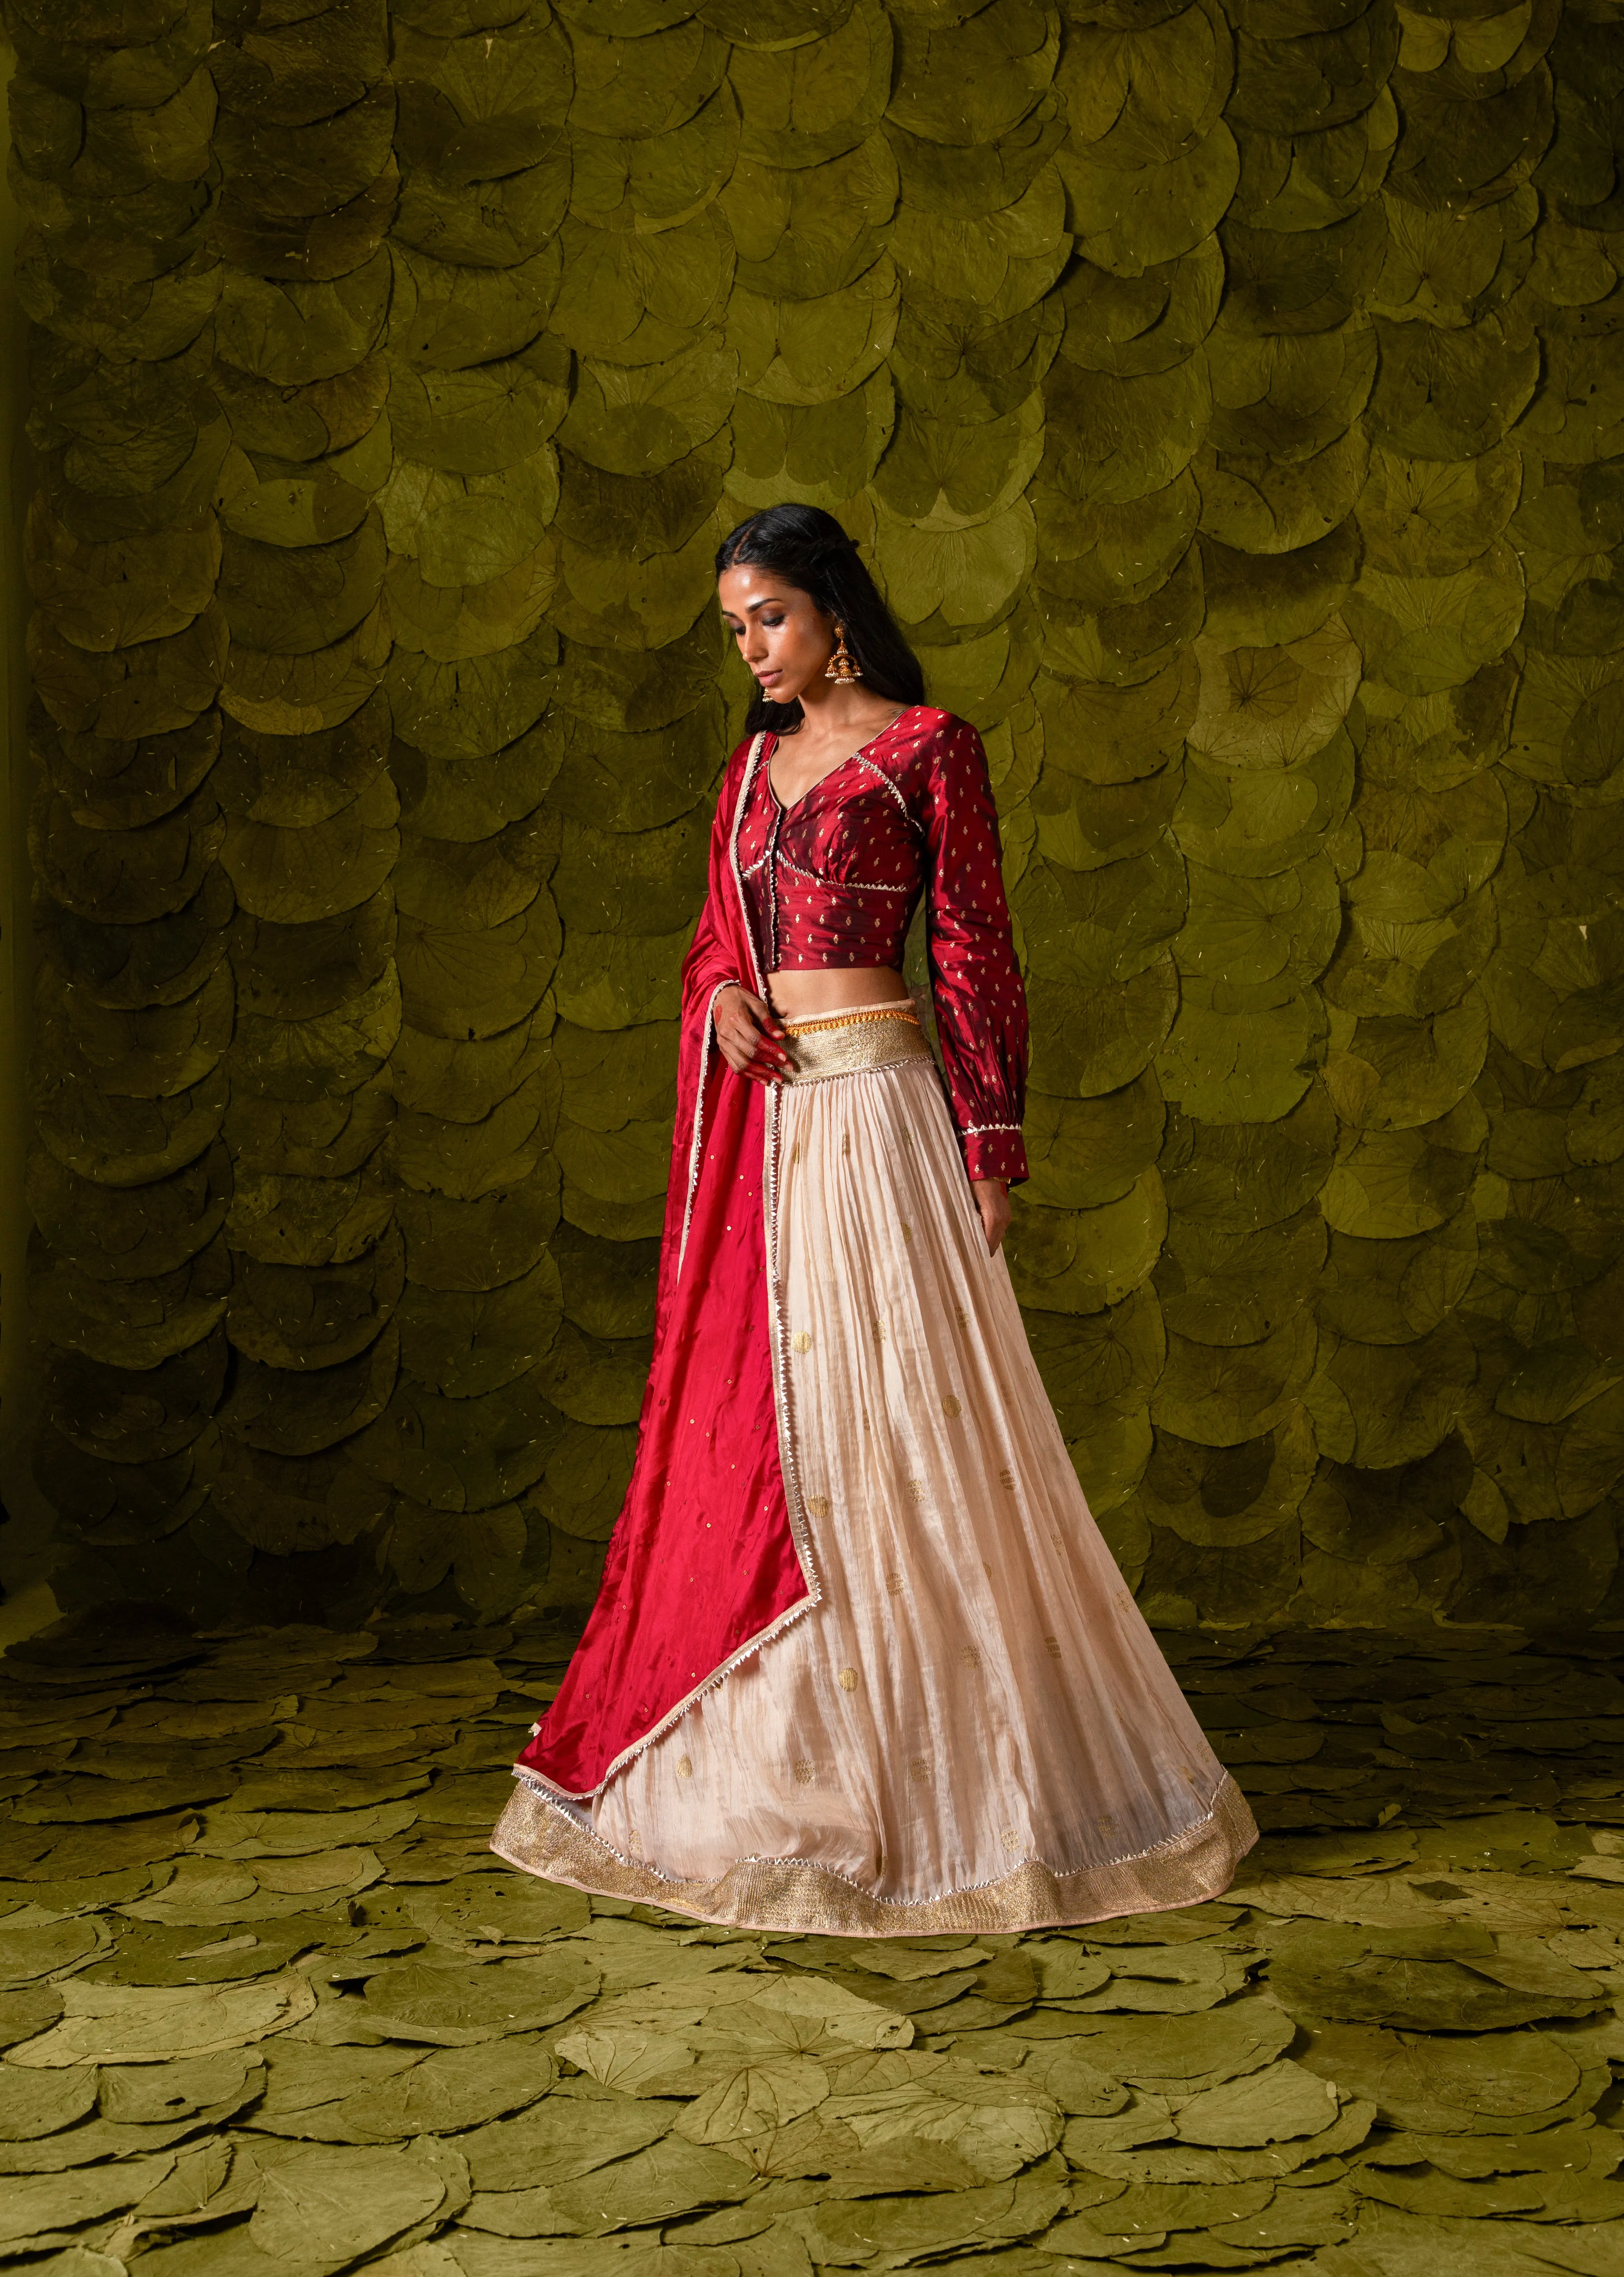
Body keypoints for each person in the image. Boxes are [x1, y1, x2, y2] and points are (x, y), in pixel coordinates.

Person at [491, 503, 1257, 1934]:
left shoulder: (926, 749)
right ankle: (791, 1765)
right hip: (773, 1134)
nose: (753, 649)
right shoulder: (747, 774)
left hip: (886, 1122)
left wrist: (992, 1141)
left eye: (768, 616)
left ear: (836, 609)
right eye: (735, 627)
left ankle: (957, 1783)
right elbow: (723, 943)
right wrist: (717, 996)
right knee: (789, 1432)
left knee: (908, 1428)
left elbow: (971, 946)